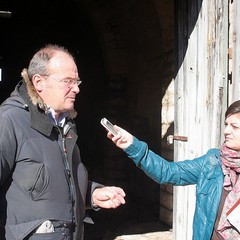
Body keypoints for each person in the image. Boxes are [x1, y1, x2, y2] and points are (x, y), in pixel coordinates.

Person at [0, 44, 126, 240]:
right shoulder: (9, 120)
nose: (76, 89)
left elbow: (55, 184)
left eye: (77, 81)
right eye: (68, 81)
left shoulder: (66, 124)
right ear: (39, 82)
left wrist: (91, 194)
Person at [106, 100, 240, 240]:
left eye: (234, 127)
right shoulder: (213, 163)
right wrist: (132, 145)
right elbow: (168, 172)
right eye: (226, 124)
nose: (226, 131)